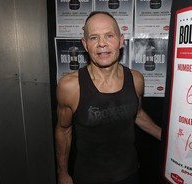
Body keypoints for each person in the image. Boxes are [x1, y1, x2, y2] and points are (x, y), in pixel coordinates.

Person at [55, 11, 162, 184]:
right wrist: (62, 173)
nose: (102, 44)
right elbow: (63, 130)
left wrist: (164, 137)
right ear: (85, 44)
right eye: (94, 38)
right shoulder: (69, 86)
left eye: (109, 36)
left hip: (130, 175)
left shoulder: (136, 79)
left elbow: (137, 112)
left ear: (120, 41)